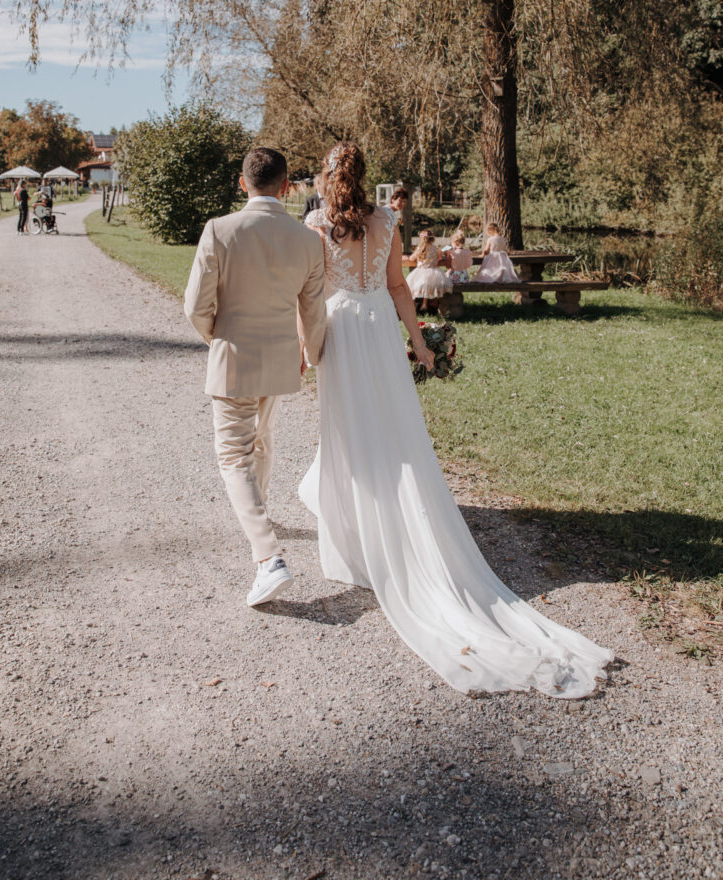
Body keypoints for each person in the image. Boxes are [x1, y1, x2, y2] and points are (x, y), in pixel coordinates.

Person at [301, 143, 612, 698]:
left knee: (348, 431)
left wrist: (307, 344)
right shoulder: (388, 219)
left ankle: (354, 544)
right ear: (365, 177)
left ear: (326, 178)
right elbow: (399, 287)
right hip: (376, 326)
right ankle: (382, 527)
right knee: (395, 428)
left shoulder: (317, 224)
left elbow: (311, 291)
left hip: (342, 329)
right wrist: (417, 343)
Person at [184, 147, 327, 607]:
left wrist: (216, 338)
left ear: (242, 182)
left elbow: (195, 306)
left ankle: (268, 558)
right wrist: (311, 352)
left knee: (233, 455)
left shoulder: (219, 230)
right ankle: (259, 516)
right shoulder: (307, 240)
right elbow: (314, 311)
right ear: (286, 186)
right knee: (261, 441)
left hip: (235, 356)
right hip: (282, 358)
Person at [405, 228, 451, 312]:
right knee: (427, 286)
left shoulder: (420, 248)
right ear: (432, 238)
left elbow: (411, 258)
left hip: (421, 271)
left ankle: (413, 304)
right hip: (433, 272)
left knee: (412, 286)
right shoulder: (436, 248)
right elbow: (440, 257)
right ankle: (425, 304)